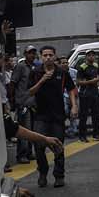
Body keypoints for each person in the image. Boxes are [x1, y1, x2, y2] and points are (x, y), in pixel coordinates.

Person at [28, 45, 77, 188]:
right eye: (45, 55)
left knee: (58, 146)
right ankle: (43, 173)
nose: (48, 57)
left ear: (55, 56)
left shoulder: (62, 72)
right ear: (41, 57)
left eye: (50, 55)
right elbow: (30, 92)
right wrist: (42, 80)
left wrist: (74, 105)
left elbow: (72, 89)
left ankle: (59, 175)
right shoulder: (36, 72)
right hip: (40, 116)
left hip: (58, 115)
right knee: (39, 146)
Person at [9, 46, 38, 164]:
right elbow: (12, 83)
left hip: (33, 103)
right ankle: (21, 155)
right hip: (23, 103)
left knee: (32, 130)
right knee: (24, 130)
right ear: (25, 54)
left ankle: (29, 153)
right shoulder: (20, 67)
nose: (32, 55)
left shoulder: (35, 67)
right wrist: (13, 100)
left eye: (33, 53)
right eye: (30, 53)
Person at [75, 50, 99, 141]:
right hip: (85, 93)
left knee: (96, 114)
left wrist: (98, 83)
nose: (91, 57)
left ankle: (96, 134)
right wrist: (90, 82)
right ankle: (82, 136)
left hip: (95, 93)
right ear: (86, 57)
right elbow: (78, 82)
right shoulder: (82, 67)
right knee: (84, 115)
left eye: (93, 55)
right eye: (89, 55)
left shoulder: (96, 66)